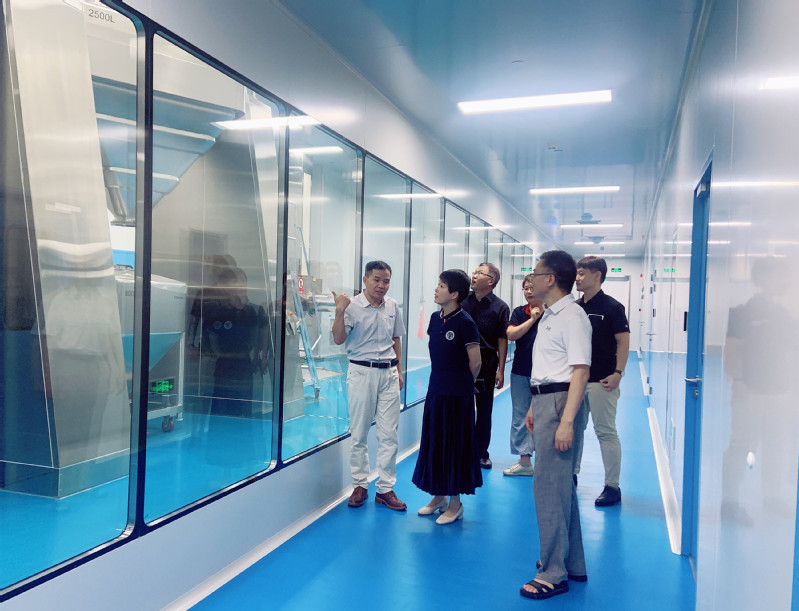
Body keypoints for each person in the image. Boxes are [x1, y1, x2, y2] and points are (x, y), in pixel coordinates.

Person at [520, 250, 591, 601]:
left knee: (548, 487)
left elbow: (580, 371)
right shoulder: (550, 315)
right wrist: (535, 405)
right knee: (560, 488)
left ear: (550, 279)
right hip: (546, 400)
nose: (530, 280)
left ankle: (552, 572)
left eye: (535, 273)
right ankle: (571, 562)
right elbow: (549, 367)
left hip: (561, 404)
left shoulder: (572, 317)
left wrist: (566, 422)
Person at [332, 260, 407, 511]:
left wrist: (399, 370)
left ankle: (385, 489)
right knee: (359, 433)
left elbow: (395, 339)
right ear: (365, 280)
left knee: (389, 434)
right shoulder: (351, 306)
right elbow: (339, 338)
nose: (381, 285)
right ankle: (360, 485)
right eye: (376, 280)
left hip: (388, 373)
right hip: (361, 372)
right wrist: (339, 311)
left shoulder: (393, 306)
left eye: (386, 281)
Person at [412, 270, 483, 524]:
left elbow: (475, 363)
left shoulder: (465, 322)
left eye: (442, 286)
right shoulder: (435, 318)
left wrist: (461, 383)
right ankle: (439, 496)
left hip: (458, 395)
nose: (436, 289)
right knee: (435, 443)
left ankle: (455, 503)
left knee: (454, 447)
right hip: (436, 391)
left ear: (454, 294)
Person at [573, 256, 630, 506]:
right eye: (577, 273)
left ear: (597, 275)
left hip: (602, 381)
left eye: (582, 273)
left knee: (605, 431)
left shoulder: (613, 307)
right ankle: (571, 474)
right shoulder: (575, 308)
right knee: (575, 430)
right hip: (577, 380)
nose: (577, 278)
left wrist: (618, 373)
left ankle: (612, 486)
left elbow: (623, 342)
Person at [462, 262, 509, 469]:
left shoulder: (500, 307)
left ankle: (481, 453)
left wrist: (501, 370)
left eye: (479, 273)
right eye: (474, 272)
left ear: (491, 281)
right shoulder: (462, 301)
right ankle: (462, 450)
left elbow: (502, 340)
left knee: (483, 410)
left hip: (487, 364)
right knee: (461, 408)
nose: (474, 275)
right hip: (462, 363)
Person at [503, 274, 544, 476]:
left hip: (545, 374)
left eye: (532, 288)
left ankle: (545, 461)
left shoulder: (552, 313)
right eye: (525, 288)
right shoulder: (520, 312)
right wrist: (532, 319)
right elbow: (511, 334)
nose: (528, 291)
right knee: (520, 415)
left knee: (544, 416)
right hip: (520, 371)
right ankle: (525, 462)